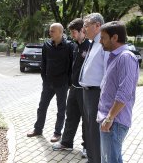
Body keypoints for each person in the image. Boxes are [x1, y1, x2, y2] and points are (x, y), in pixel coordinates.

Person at [97, 21, 139, 163]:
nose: (100, 42)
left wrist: (109, 118)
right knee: (111, 159)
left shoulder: (125, 57)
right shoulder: (115, 57)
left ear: (114, 38)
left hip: (114, 121)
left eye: (103, 38)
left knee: (110, 160)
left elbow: (124, 93)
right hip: (109, 120)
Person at [27, 23, 74, 143]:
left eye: (52, 31)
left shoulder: (69, 46)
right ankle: (38, 129)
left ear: (60, 32)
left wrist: (68, 83)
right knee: (42, 107)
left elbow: (71, 66)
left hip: (62, 84)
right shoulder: (46, 45)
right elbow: (43, 62)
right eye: (50, 31)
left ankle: (57, 133)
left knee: (61, 109)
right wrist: (44, 78)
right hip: (48, 83)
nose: (50, 33)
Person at [52, 18, 90, 158]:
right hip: (73, 88)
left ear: (82, 31)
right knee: (71, 116)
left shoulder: (90, 46)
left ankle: (87, 147)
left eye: (74, 32)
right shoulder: (75, 46)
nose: (72, 35)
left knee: (86, 120)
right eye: (72, 32)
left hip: (85, 90)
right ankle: (67, 143)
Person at [79, 13, 109, 163]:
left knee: (95, 133)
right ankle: (92, 159)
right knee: (88, 130)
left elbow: (108, 73)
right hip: (86, 92)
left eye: (86, 25)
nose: (83, 29)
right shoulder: (93, 43)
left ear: (97, 26)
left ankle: (96, 160)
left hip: (96, 93)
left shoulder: (104, 44)